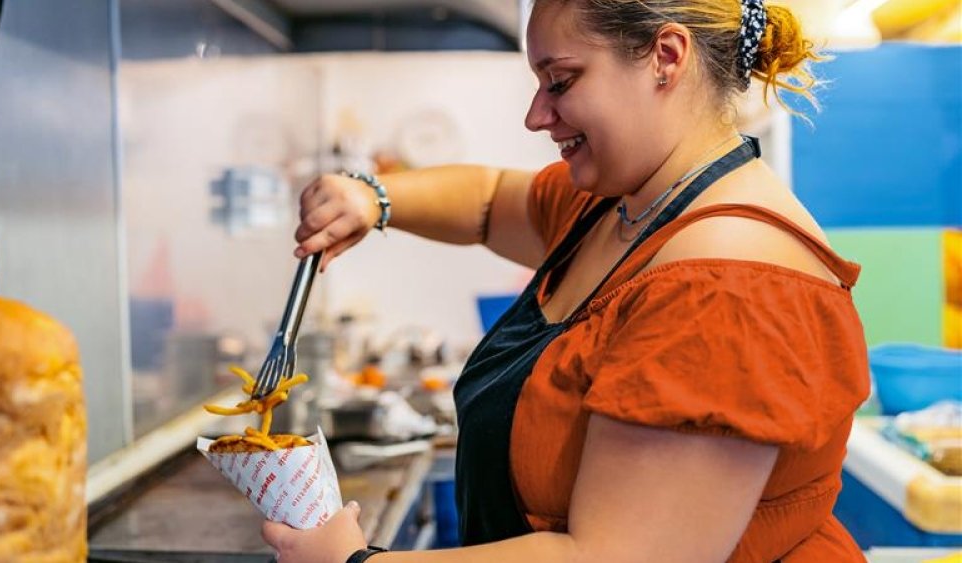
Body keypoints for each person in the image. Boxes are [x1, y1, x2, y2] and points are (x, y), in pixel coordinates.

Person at [264, 0, 870, 561]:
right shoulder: (627, 204)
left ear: (666, 57)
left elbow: (615, 557)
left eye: (560, 81)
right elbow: (487, 201)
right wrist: (372, 197)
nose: (536, 116)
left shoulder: (729, 287)